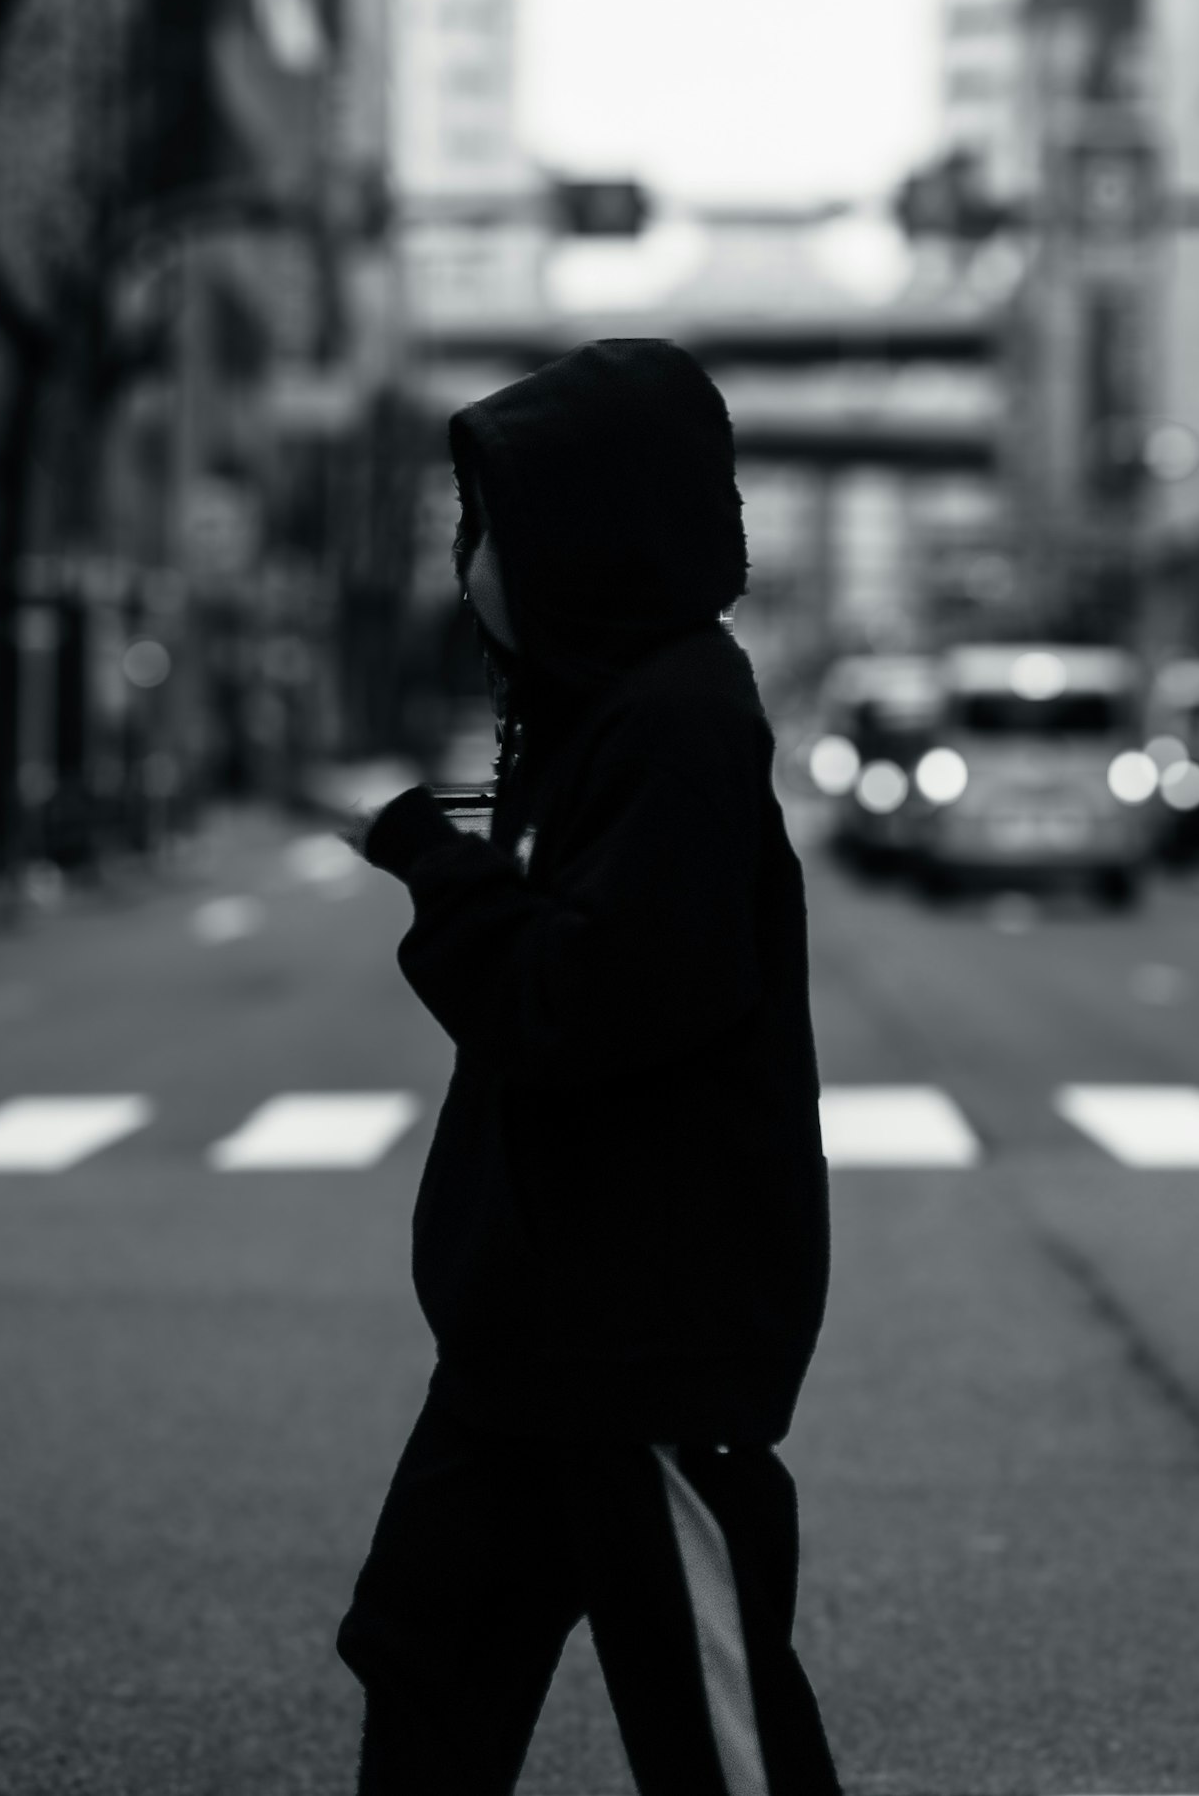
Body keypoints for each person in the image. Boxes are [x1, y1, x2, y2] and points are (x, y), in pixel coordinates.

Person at [339, 337, 844, 1796]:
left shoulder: (678, 717)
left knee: (717, 1731)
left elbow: (585, 998)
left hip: (640, 1339)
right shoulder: (601, 705)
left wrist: (428, 860)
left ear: (587, 531)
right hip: (538, 1325)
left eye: (493, 520)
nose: (468, 554)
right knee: (427, 1664)